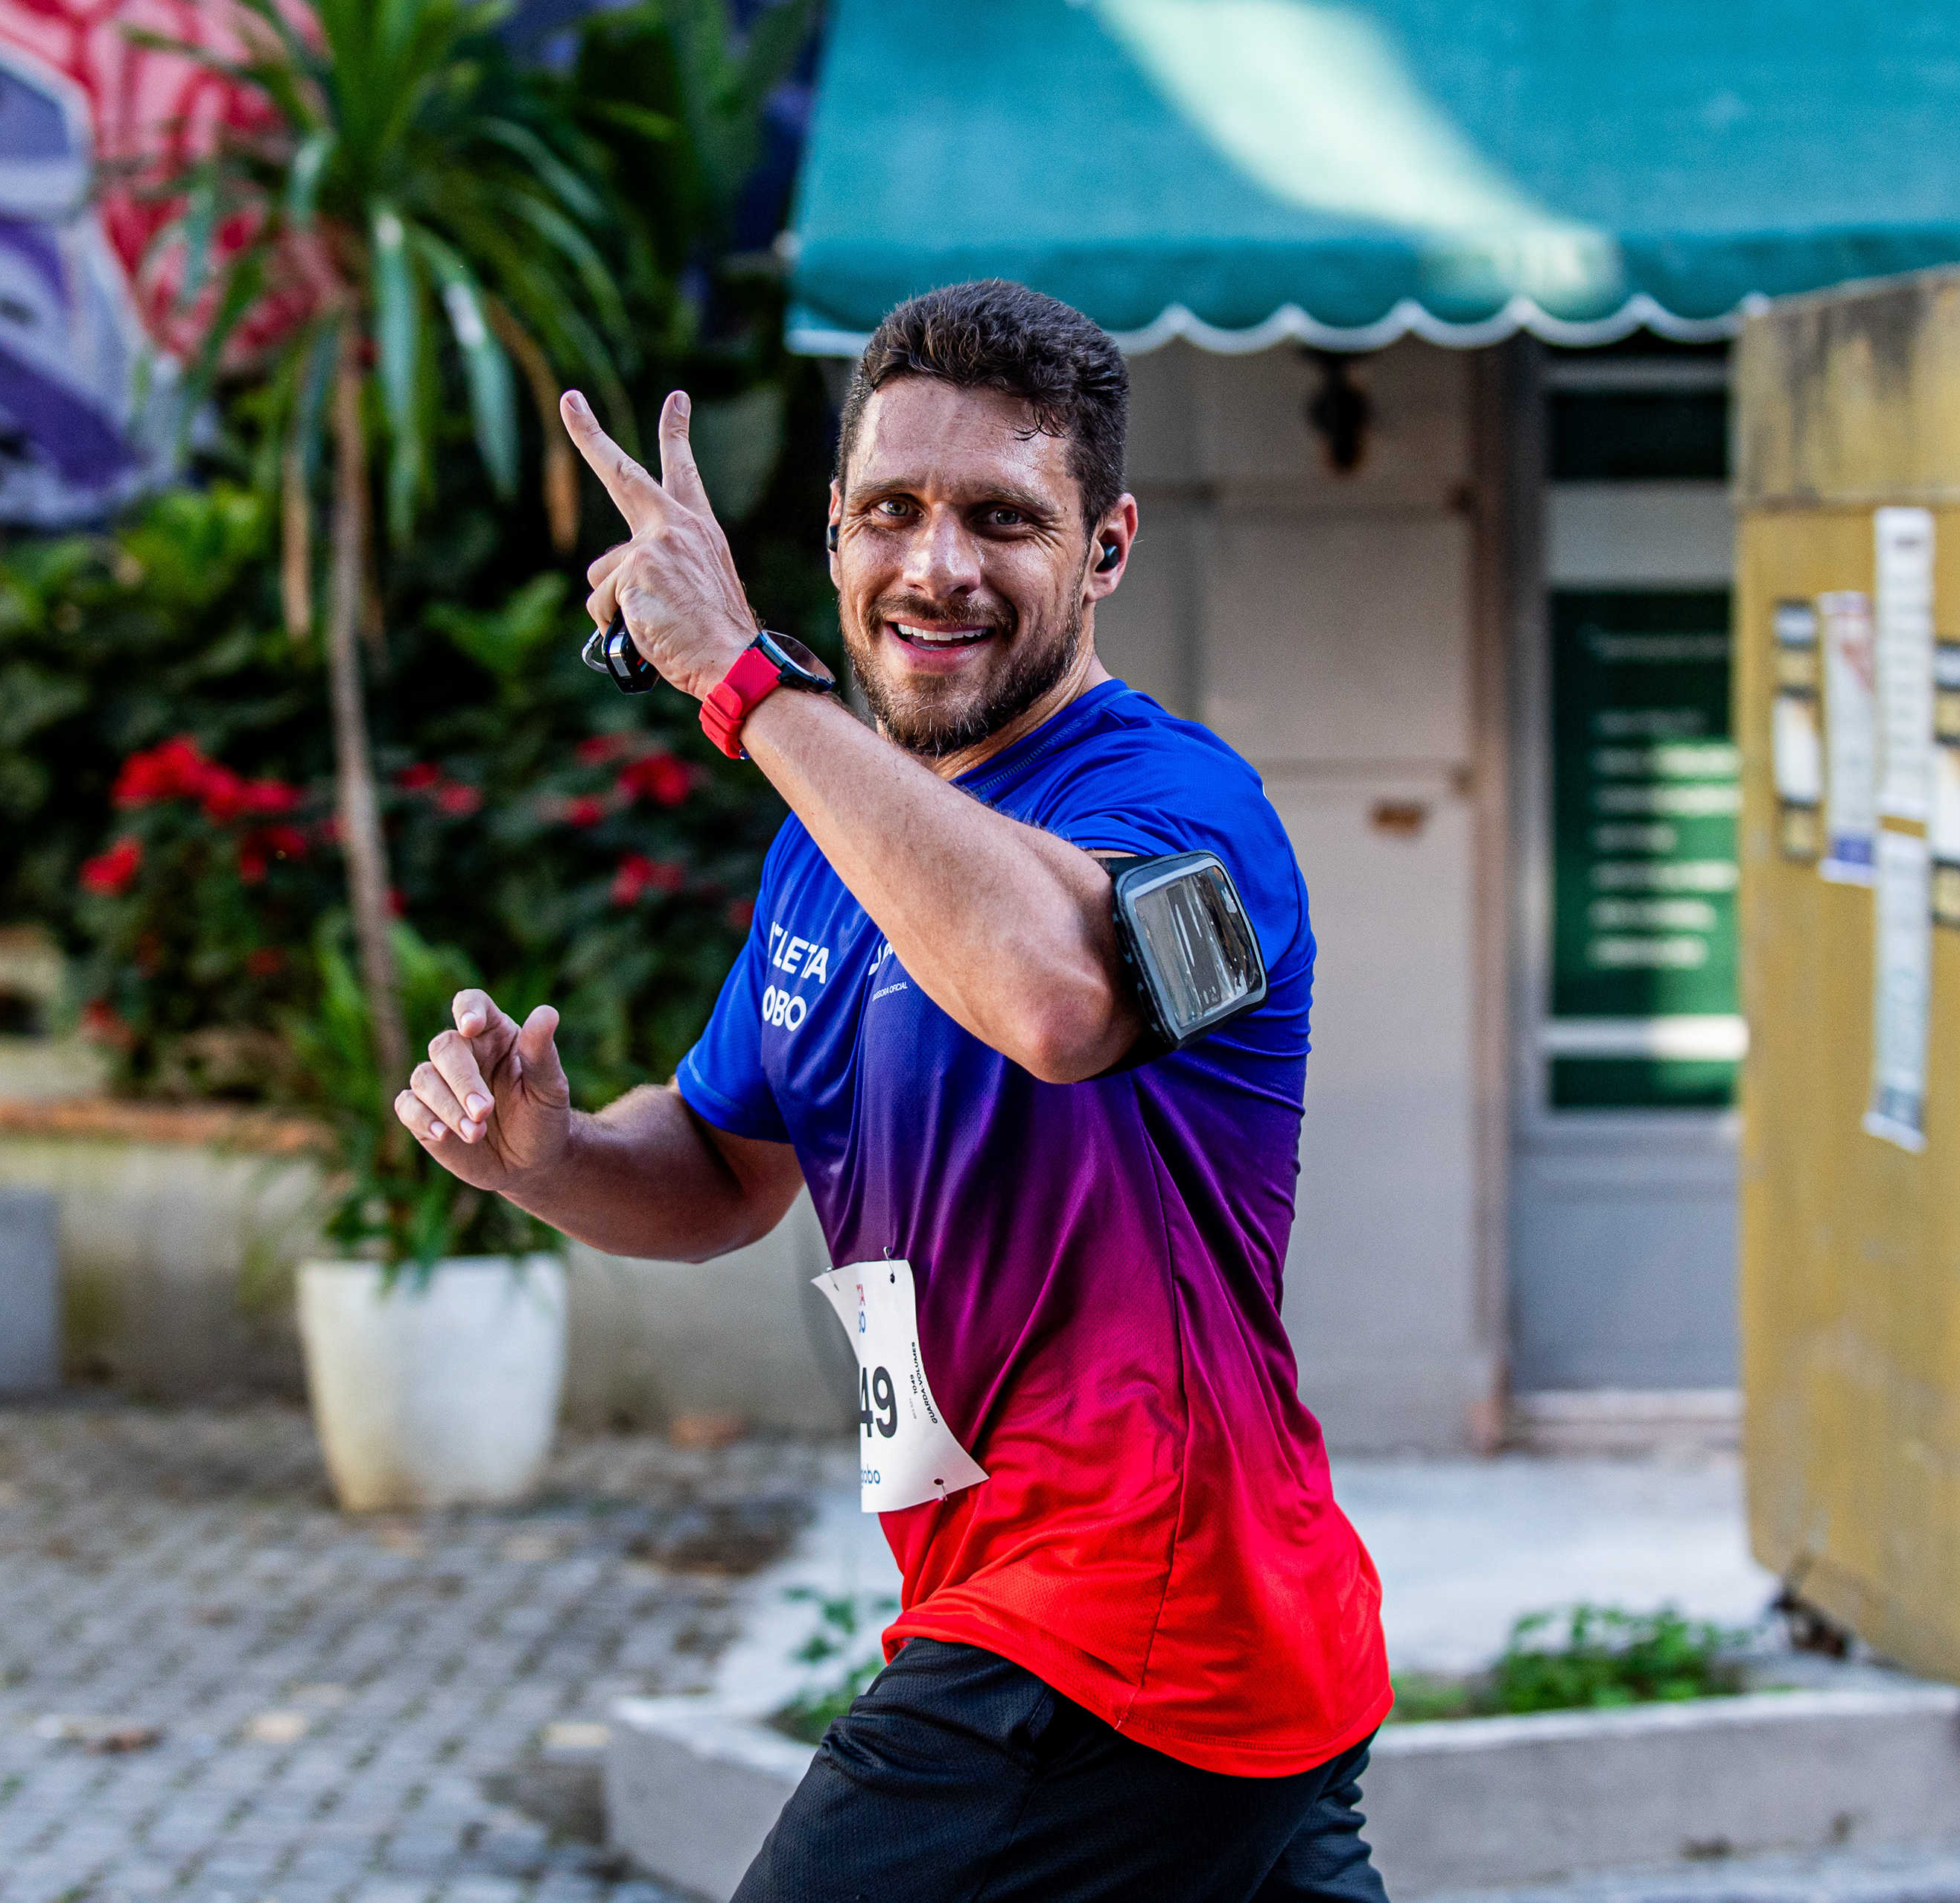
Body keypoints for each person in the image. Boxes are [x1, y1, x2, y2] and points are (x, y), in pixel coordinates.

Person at [394, 279, 1391, 1902]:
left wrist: (743, 680)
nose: (935, 567)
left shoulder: (1190, 808)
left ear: (1107, 549)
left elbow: (1058, 1002)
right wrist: (549, 1153)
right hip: (1153, 1626)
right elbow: (721, 1167)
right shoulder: (829, 844)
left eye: (1002, 518)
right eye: (890, 512)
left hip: (1122, 1622)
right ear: (836, 532)